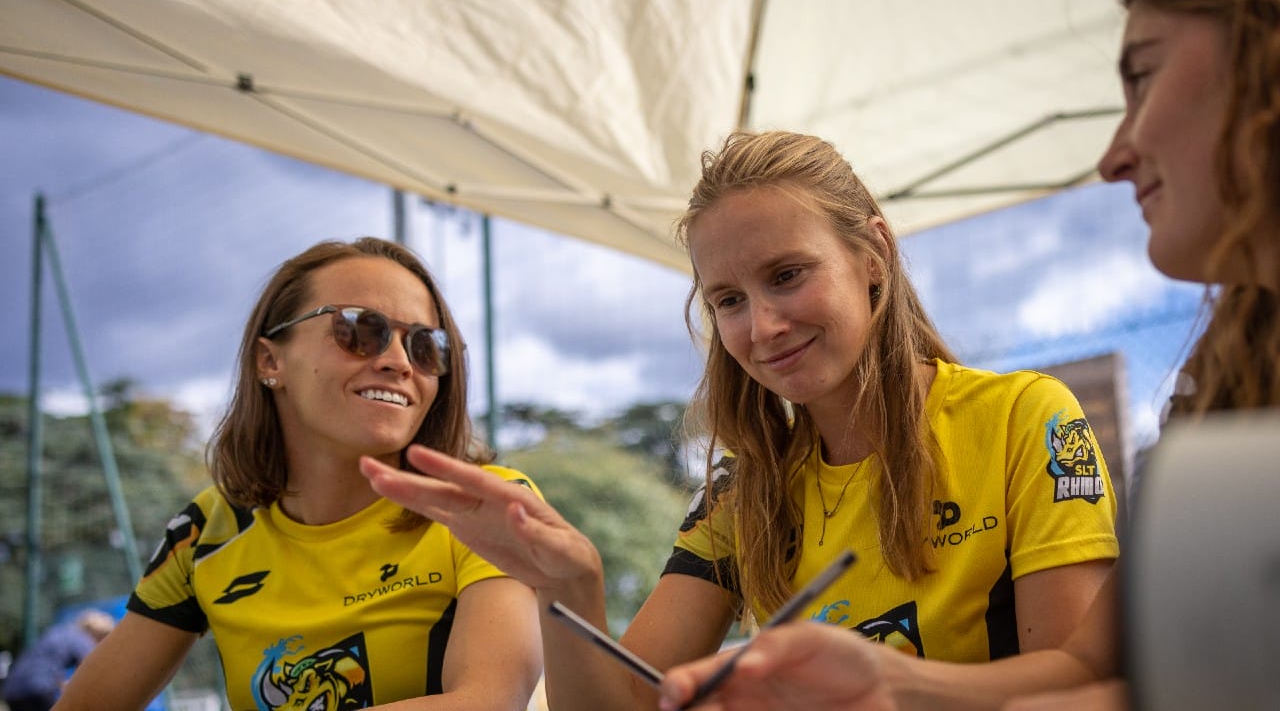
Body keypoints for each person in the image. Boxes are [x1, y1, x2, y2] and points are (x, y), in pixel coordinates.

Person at [655, 0, 1280, 709]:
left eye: (1142, 77)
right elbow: (1099, 676)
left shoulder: (1021, 416)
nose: (1114, 157)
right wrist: (888, 680)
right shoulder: (1228, 377)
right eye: (726, 301)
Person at [359, 130, 1121, 711]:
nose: (763, 326)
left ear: (873, 257)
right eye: (727, 300)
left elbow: (1075, 686)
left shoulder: (1025, 417)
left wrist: (889, 680)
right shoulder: (743, 491)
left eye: (787, 276)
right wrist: (567, 586)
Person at [54, 238, 543, 710]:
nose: (397, 361)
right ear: (271, 360)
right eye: (358, 330)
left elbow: (489, 701)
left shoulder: (488, 503)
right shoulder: (206, 530)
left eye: (426, 346)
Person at [2, 610, 114, 711]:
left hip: (13, 690)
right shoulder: (83, 639)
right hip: (39, 691)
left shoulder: (58, 631)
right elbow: (90, 671)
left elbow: (44, 666)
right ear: (98, 633)